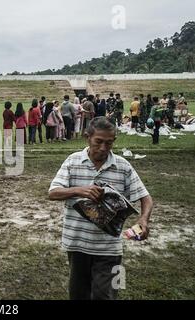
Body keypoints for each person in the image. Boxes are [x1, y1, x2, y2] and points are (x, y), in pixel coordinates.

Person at [49, 117, 153, 300]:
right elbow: (53, 192)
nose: (103, 148)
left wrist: (143, 219)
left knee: (105, 295)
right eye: (98, 142)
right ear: (87, 137)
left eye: (109, 143)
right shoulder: (72, 162)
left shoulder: (122, 166)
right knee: (78, 294)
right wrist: (79, 191)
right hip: (77, 245)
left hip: (110, 249)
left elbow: (146, 197)